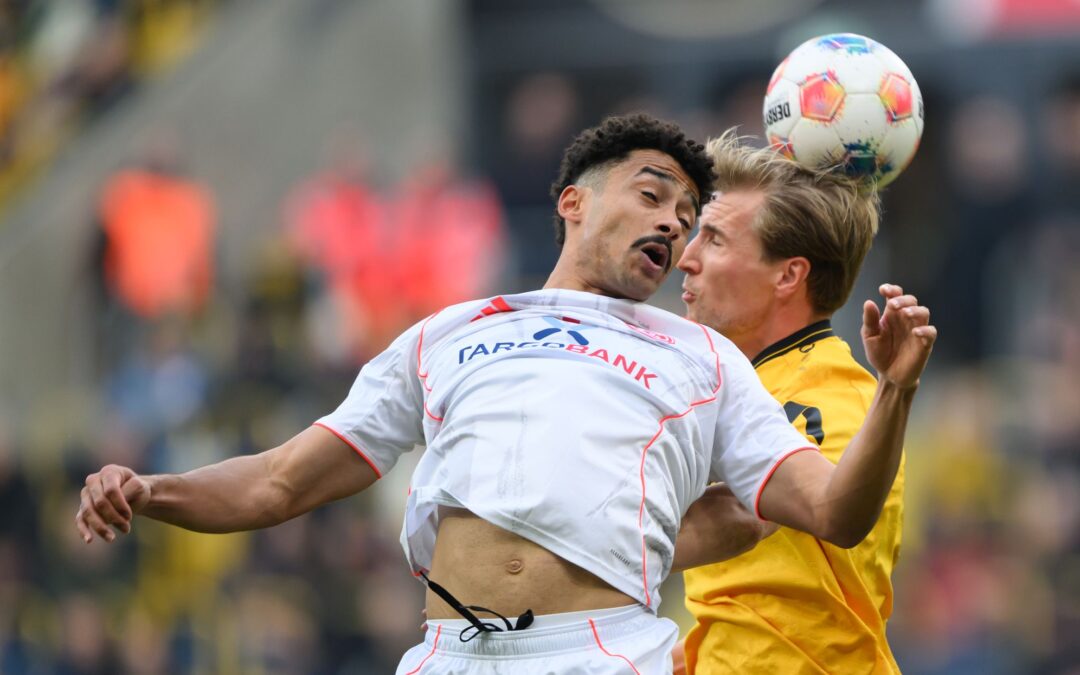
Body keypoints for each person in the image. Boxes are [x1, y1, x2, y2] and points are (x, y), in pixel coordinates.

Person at [75, 114, 935, 674]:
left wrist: (895, 393)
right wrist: (152, 491)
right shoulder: (448, 332)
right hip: (444, 653)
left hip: (601, 654)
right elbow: (277, 482)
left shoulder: (702, 357)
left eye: (689, 216)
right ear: (572, 202)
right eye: (653, 195)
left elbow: (833, 511)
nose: (674, 225)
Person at [672, 131, 909, 674]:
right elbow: (749, 601)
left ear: (789, 275)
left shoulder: (832, 398)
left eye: (714, 240)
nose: (686, 258)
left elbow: (743, 516)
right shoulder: (738, 389)